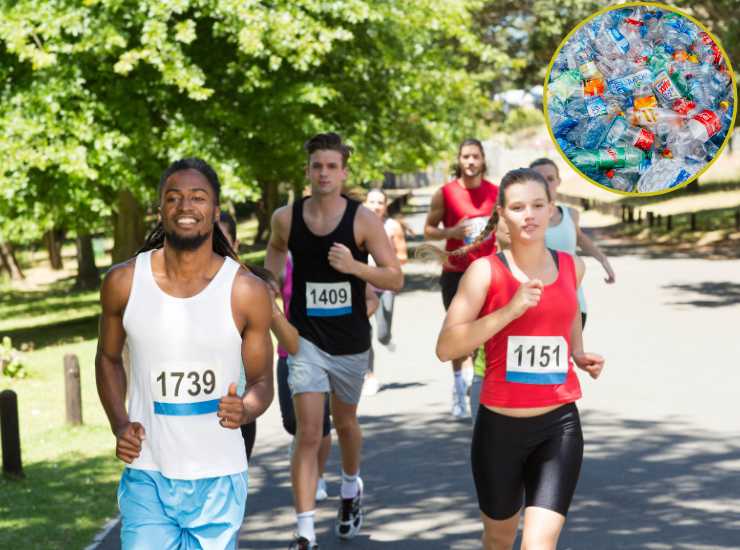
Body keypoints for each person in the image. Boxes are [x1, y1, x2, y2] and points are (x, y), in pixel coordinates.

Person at [95, 158, 275, 549]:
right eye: (173, 198)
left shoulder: (245, 291)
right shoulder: (123, 282)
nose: (185, 206)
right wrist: (119, 424)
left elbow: (262, 382)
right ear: (160, 210)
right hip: (148, 472)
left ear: (215, 210)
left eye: (198, 197)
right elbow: (107, 358)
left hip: (219, 475)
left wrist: (245, 408)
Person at [436, 168, 604, 550]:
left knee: (539, 545)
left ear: (551, 210)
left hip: (559, 426)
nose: (528, 214)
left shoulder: (572, 267)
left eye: (537, 205)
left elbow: (568, 320)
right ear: (502, 214)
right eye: (518, 206)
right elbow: (447, 347)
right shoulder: (485, 272)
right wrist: (509, 311)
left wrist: (579, 354)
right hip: (500, 429)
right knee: (498, 538)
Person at [266, 132, 403, 549]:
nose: (323, 173)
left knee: (344, 423)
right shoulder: (285, 218)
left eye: (331, 167)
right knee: (309, 432)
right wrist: (271, 288)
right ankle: (304, 530)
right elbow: (273, 251)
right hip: (305, 339)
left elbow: (395, 276)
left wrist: (356, 269)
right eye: (316, 166)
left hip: (349, 342)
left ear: (343, 172)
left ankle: (349, 487)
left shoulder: (362, 220)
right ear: (307, 171)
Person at [423, 138, 499, 418]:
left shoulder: (496, 192)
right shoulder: (445, 193)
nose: (470, 162)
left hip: (490, 274)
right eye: (465, 157)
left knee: (489, 332)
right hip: (456, 273)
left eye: (475, 157)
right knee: (458, 334)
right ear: (459, 160)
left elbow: (504, 229)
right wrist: (451, 233)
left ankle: (482, 388)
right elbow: (428, 230)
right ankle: (458, 390)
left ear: (482, 160)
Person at [529, 158, 616, 328]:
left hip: (573, 303)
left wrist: (603, 260)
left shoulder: (571, 214)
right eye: (539, 178)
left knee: (568, 354)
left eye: (550, 178)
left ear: (558, 181)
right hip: (536, 304)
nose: (545, 184)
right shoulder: (524, 218)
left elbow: (580, 238)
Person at [363, 188, 408, 395]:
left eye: (380, 202)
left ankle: (387, 338)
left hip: (385, 286)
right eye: (372, 201)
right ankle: (369, 375)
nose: (375, 206)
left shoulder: (392, 227)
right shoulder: (357, 225)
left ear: (385, 205)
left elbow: (402, 256)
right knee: (364, 332)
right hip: (362, 286)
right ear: (365, 203)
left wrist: (388, 268)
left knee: (381, 334)